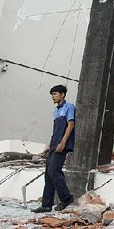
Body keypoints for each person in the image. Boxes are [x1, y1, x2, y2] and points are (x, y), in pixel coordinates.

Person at [32, 84, 75, 213]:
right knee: (48, 174)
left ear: (62, 95)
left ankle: (66, 198)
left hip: (62, 144)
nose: (53, 96)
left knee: (54, 171)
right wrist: (49, 146)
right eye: (52, 94)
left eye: (55, 93)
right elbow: (55, 130)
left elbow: (70, 125)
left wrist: (63, 142)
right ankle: (46, 205)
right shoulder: (56, 111)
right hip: (54, 144)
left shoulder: (69, 107)